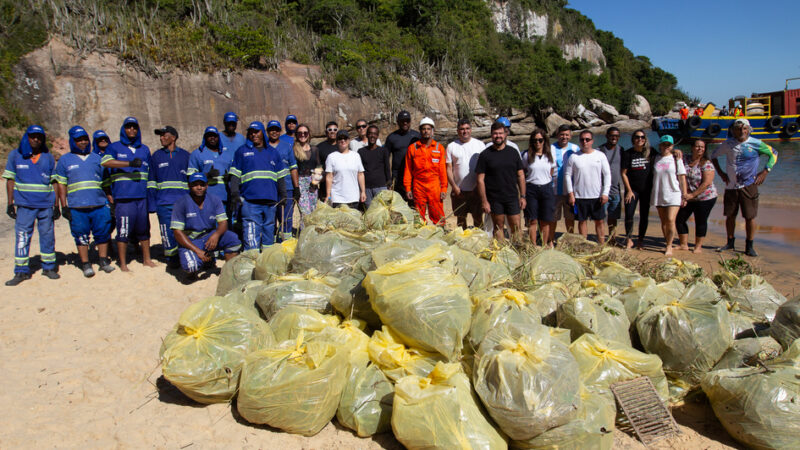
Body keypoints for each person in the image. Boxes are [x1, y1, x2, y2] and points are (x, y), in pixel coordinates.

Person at [54, 126, 115, 277]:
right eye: (78, 140)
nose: (82, 142)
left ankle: (103, 261)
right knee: (81, 236)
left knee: (102, 233)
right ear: (73, 141)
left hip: (99, 205)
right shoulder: (65, 160)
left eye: (84, 139)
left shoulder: (97, 158)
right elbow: (61, 185)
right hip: (77, 206)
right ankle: (86, 264)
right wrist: (64, 206)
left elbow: (105, 183)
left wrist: (110, 202)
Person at [711, 118, 778, 256]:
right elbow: (713, 156)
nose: (742, 131)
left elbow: (774, 154)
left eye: (744, 129)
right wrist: (720, 173)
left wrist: (765, 172)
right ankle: (730, 242)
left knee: (750, 217)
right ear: (733, 130)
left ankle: (749, 246)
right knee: (730, 216)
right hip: (731, 186)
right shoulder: (727, 144)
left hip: (749, 185)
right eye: (738, 129)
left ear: (748, 130)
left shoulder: (756, 143)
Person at [3, 125, 59, 285]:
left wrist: (56, 205)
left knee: (47, 236)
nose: (36, 139)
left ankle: (48, 267)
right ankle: (21, 272)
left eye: (39, 137)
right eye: (33, 136)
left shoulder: (48, 157)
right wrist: (10, 203)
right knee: (22, 237)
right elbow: (10, 180)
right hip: (24, 205)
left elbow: (53, 181)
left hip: (45, 205)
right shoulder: (15, 155)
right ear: (27, 137)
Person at [101, 116, 156, 272]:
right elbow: (105, 162)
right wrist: (129, 164)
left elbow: (150, 172)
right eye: (128, 127)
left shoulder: (144, 149)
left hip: (141, 197)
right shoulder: (114, 147)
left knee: (144, 229)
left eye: (134, 127)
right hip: (124, 198)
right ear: (123, 129)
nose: (131, 130)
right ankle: (123, 264)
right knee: (123, 231)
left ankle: (147, 259)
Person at [228, 121, 287, 251]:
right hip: (250, 202)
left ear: (263, 133)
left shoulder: (273, 153)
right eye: (251, 132)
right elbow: (235, 176)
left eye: (257, 131)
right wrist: (235, 193)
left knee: (269, 233)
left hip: (270, 202)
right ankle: (251, 262)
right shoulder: (242, 151)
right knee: (251, 235)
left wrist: (283, 194)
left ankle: (266, 261)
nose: (254, 134)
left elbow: (281, 176)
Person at [171, 173, 242, 279]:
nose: (199, 187)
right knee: (192, 266)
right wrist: (198, 251)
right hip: (191, 241)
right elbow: (177, 232)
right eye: (195, 185)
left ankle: (228, 271)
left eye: (202, 185)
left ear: (207, 186)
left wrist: (216, 235)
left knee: (233, 239)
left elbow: (223, 223)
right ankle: (197, 265)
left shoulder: (215, 200)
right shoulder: (181, 203)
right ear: (189, 186)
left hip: (209, 237)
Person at [476, 122, 526, 241]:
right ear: (491, 135)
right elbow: (480, 180)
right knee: (498, 227)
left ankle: (518, 252)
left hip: (512, 197)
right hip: (494, 198)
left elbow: (521, 176)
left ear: (505, 134)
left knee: (516, 227)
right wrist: (484, 201)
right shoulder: (485, 155)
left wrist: (523, 196)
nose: (498, 136)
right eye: (495, 133)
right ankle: (501, 254)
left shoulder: (513, 152)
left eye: (500, 133)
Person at [148, 125, 190, 266]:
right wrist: (152, 203)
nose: (161, 138)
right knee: (167, 232)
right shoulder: (156, 156)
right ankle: (171, 259)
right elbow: (151, 181)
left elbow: (191, 180)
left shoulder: (185, 155)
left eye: (164, 135)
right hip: (163, 203)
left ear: (174, 137)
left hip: (182, 203)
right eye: (160, 136)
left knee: (184, 232)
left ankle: (183, 255)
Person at [565, 130, 611, 244]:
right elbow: (567, 176)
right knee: (582, 221)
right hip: (580, 196)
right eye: (582, 139)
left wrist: (605, 193)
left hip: (597, 196)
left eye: (587, 139)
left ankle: (601, 245)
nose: (585, 142)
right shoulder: (574, 157)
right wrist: (571, 194)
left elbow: (607, 175)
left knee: (599, 221)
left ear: (592, 141)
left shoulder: (600, 155)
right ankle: (584, 244)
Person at [676, 139, 718, 253]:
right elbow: (672, 152)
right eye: (697, 146)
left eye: (702, 147)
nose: (700, 149)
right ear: (692, 147)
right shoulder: (685, 158)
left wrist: (692, 195)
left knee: (700, 221)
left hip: (705, 197)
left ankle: (698, 246)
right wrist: (677, 150)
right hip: (688, 196)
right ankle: (683, 244)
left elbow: (706, 183)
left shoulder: (707, 163)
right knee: (679, 219)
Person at [404, 117, 447, 224]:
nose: (426, 131)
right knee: (419, 216)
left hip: (434, 186)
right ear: (420, 131)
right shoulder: (413, 148)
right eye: (423, 129)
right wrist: (408, 188)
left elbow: (442, 171)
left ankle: (441, 235)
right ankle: (422, 237)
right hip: (419, 186)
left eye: (428, 128)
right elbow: (408, 169)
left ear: (432, 131)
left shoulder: (439, 148)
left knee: (438, 214)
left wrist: (444, 189)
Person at [651, 135, 688, 256]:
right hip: (659, 193)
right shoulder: (655, 158)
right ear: (660, 145)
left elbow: (682, 178)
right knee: (664, 221)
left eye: (669, 145)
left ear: (672, 146)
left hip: (674, 193)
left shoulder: (676, 159)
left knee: (671, 219)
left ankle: (669, 246)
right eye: (664, 144)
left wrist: (684, 195)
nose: (666, 147)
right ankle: (668, 241)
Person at [446, 118, 485, 228]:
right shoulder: (451, 146)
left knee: (478, 217)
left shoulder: (480, 145)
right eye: (462, 129)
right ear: (458, 131)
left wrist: (479, 187)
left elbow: (485, 168)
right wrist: (454, 186)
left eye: (467, 128)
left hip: (476, 190)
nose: (465, 131)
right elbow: (448, 168)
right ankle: (462, 241)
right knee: (460, 218)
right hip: (459, 191)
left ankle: (479, 240)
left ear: (471, 130)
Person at [265, 120, 299, 241]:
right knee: (270, 217)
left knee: (286, 217)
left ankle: (286, 242)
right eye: (271, 129)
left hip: (287, 187)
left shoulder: (287, 147)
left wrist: (296, 187)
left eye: (277, 129)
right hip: (269, 188)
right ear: (267, 131)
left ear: (280, 131)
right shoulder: (263, 147)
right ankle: (272, 243)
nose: (274, 132)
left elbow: (293, 168)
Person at [522, 129, 556, 247]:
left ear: (544, 141)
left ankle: (544, 243)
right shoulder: (526, 155)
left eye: (540, 140)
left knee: (546, 220)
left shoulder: (550, 155)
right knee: (533, 220)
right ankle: (533, 245)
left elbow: (551, 171)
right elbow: (524, 171)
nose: (538, 142)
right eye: (535, 140)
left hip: (546, 188)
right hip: (531, 189)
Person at [621, 130, 655, 249]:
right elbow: (624, 173)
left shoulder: (651, 152)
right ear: (633, 139)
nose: (639, 139)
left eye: (642, 137)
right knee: (629, 215)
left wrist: (675, 151)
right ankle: (629, 239)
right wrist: (629, 190)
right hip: (632, 190)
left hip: (646, 190)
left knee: (644, 216)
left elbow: (665, 154)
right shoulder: (628, 153)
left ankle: (640, 240)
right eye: (637, 137)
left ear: (645, 139)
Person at [187, 126, 234, 211]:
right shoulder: (197, 154)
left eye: (215, 136)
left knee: (226, 223)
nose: (212, 138)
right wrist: (206, 175)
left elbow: (234, 176)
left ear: (218, 137)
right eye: (209, 136)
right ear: (205, 138)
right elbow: (191, 177)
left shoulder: (227, 154)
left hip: (226, 197)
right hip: (206, 199)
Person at [384, 110, 420, 200]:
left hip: (414, 175)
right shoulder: (392, 137)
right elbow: (385, 158)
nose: (405, 123)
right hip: (397, 177)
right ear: (397, 122)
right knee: (398, 204)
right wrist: (388, 178)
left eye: (407, 120)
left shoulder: (417, 136)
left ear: (410, 121)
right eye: (402, 121)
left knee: (414, 204)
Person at [551, 124, 579, 241]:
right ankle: (550, 240)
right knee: (553, 218)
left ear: (571, 136)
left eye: (567, 134)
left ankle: (570, 241)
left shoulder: (575, 149)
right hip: (554, 190)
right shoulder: (550, 147)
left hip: (570, 192)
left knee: (570, 218)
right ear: (557, 135)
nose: (564, 137)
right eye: (562, 134)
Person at [325, 130, 366, 208]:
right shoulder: (331, 157)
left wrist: (363, 191)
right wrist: (328, 195)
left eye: (345, 138)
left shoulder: (356, 155)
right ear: (337, 141)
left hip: (353, 197)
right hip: (337, 198)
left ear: (349, 140)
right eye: (340, 138)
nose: (343, 140)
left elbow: (360, 174)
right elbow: (329, 177)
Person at [598, 126, 623, 242]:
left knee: (613, 218)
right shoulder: (599, 150)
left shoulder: (621, 150)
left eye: (616, 136)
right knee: (601, 218)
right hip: (602, 190)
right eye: (612, 135)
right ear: (607, 136)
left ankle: (612, 239)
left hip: (616, 189)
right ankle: (602, 240)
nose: (614, 138)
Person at [358, 125, 390, 209]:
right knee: (369, 212)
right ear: (367, 135)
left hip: (381, 186)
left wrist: (389, 183)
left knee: (381, 211)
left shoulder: (383, 151)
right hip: (366, 188)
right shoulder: (361, 152)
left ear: (377, 136)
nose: (372, 136)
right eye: (370, 133)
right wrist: (362, 189)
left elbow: (387, 168)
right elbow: (360, 171)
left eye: (375, 134)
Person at [293, 124, 321, 218]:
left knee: (313, 211)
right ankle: (304, 231)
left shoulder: (314, 149)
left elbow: (318, 166)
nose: (303, 135)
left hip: (313, 182)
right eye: (300, 133)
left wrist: (315, 181)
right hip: (300, 183)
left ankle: (312, 232)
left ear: (308, 134)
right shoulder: (293, 150)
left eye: (305, 133)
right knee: (305, 212)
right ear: (296, 135)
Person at [317, 121, 340, 200]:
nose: (332, 131)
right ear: (326, 132)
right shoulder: (319, 147)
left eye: (335, 129)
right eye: (330, 129)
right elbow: (317, 166)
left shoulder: (342, 145)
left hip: (340, 185)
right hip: (325, 185)